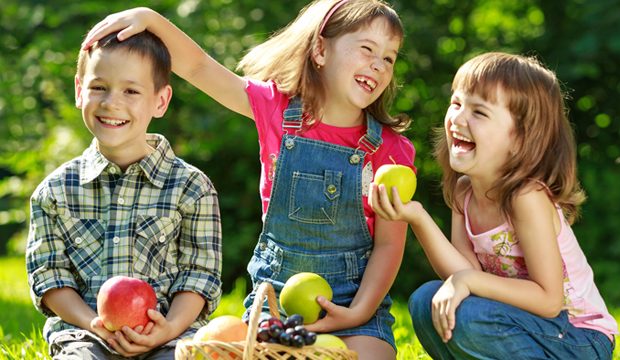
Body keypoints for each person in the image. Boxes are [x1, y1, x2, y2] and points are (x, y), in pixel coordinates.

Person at [82, 0, 415, 358]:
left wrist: (359, 311)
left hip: (356, 310)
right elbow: (197, 67)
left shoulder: (391, 150)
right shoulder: (275, 111)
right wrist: (149, 19)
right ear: (320, 50)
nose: (378, 65)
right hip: (276, 309)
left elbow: (388, 245)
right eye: (367, 49)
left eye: (389, 58)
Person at [370, 52, 618, 359]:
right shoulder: (465, 191)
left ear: (520, 139)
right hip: (523, 325)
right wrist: (418, 218)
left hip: (580, 338)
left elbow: (548, 300)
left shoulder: (526, 197)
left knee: (469, 315)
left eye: (479, 112)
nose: (458, 119)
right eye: (457, 103)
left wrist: (468, 280)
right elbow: (463, 273)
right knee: (425, 302)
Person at [26, 30, 222, 359]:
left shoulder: (192, 188)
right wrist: (93, 323)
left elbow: (199, 274)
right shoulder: (55, 191)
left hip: (169, 336)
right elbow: (49, 276)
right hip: (85, 334)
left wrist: (170, 328)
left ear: (160, 100)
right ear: (79, 90)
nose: (111, 102)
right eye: (98, 87)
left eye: (131, 90)